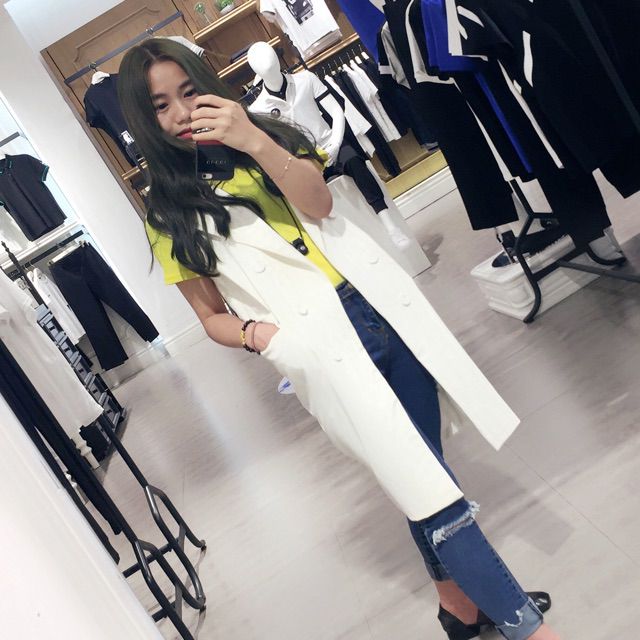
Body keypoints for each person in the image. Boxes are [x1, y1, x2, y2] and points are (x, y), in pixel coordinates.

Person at [118, 39, 560, 640]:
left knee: (423, 471)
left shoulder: (269, 138)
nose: (181, 113)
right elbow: (210, 317)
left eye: (189, 92)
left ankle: (457, 607)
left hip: (380, 311)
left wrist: (252, 140)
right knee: (430, 490)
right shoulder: (168, 214)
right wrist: (263, 336)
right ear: (143, 120)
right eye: (160, 105)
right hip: (319, 346)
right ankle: (527, 628)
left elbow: (319, 203)